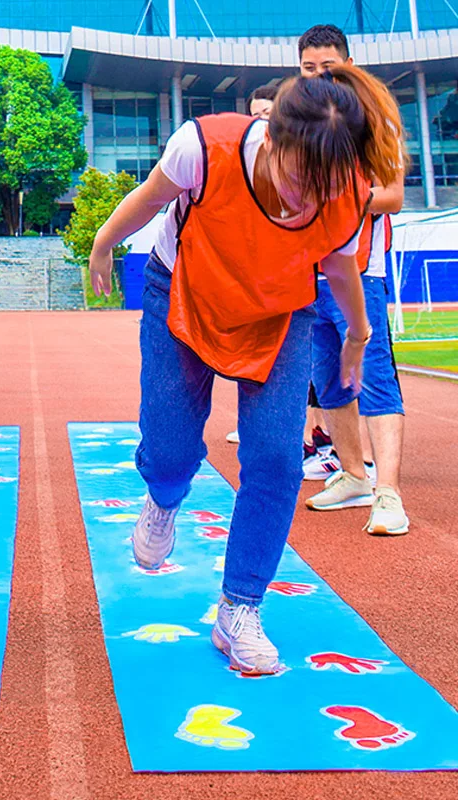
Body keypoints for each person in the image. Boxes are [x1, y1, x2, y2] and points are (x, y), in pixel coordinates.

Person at [89, 65, 403, 675]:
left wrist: (361, 334)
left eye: (324, 187)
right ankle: (163, 497)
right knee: (172, 445)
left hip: (278, 313)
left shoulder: (344, 191)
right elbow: (148, 199)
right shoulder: (204, 147)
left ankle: (240, 607)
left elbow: (340, 270)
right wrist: (103, 243)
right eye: (297, 178)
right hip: (183, 292)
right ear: (272, 136)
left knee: (276, 459)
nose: (306, 199)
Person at [298, 25, 408, 535]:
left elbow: (391, 196)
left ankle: (388, 492)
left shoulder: (375, 115)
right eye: (308, 68)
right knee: (329, 377)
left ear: (348, 63)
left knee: (373, 374)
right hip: (308, 268)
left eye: (328, 67)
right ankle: (352, 474)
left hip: (361, 269)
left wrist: (341, 201)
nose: (319, 77)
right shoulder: (298, 120)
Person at [225, 83, 280, 445]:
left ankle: (317, 438)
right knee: (250, 357)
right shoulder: (244, 160)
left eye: (267, 115)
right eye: (255, 115)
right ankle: (255, 427)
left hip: (292, 281)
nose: (260, 123)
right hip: (254, 278)